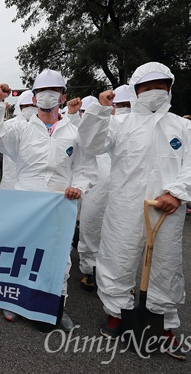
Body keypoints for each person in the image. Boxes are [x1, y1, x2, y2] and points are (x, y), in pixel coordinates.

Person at [77, 61, 191, 360]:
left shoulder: (184, 127)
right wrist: (100, 110)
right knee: (118, 258)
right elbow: (90, 143)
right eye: (147, 87)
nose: (154, 92)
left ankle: (163, 324)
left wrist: (177, 193)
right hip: (125, 205)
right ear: (136, 91)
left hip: (167, 210)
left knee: (166, 266)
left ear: (170, 89)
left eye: (160, 86)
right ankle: (116, 313)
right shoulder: (118, 124)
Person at [0, 69, 96, 332]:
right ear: (33, 97)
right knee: (22, 252)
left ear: (63, 97)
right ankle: (14, 301)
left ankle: (56, 306)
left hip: (60, 201)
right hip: (27, 200)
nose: (47, 97)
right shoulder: (21, 127)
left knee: (59, 256)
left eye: (53, 91)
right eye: (41, 92)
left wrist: (78, 186)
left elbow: (86, 167)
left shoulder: (74, 131)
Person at [76, 87, 130, 291]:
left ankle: (92, 269)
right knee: (118, 231)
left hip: (104, 181)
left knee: (95, 226)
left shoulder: (121, 123)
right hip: (105, 180)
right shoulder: (110, 121)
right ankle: (112, 274)